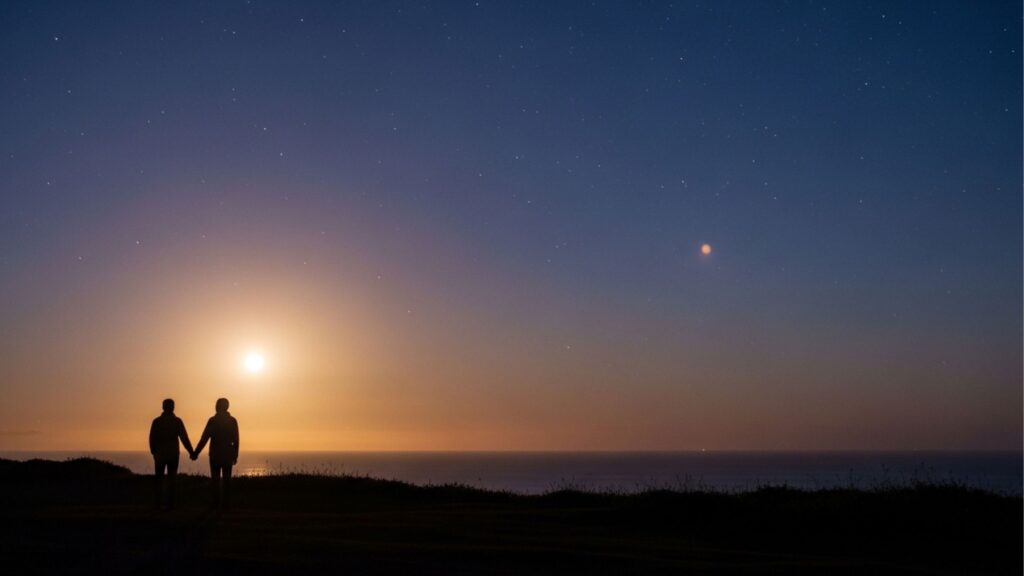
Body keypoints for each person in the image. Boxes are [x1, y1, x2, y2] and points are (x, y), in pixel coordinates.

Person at [192, 397, 240, 509]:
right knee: (226, 480)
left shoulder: (213, 421)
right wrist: (235, 454)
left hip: (215, 454)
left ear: (219, 406)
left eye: (217, 404)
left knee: (215, 480)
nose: (215, 406)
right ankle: (225, 504)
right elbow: (236, 440)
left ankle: (216, 503)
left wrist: (196, 452)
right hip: (227, 454)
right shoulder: (232, 421)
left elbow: (204, 438)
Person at [149, 398, 194, 510]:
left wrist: (154, 451)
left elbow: (152, 438)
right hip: (173, 454)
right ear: (173, 408)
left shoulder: (157, 421)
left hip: (160, 454)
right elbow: (184, 438)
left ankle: (158, 504)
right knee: (171, 479)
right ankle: (170, 504)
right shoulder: (177, 421)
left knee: (159, 479)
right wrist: (191, 452)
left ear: (163, 407)